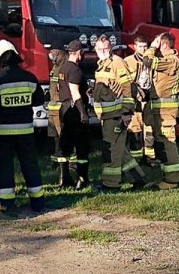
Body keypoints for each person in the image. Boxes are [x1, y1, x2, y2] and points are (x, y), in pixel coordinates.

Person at [0, 39, 46, 214]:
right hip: (26, 131)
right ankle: (38, 202)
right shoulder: (30, 78)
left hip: (2, 132)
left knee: (4, 166)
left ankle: (6, 203)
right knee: (30, 164)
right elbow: (39, 100)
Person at [93, 34, 146, 191]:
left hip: (117, 115)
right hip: (108, 115)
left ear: (111, 48)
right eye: (100, 48)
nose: (103, 51)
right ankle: (138, 178)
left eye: (106, 48)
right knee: (120, 149)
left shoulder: (117, 63)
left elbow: (127, 87)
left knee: (112, 151)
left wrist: (127, 112)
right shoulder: (101, 64)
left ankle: (111, 184)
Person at [146, 32, 179, 189]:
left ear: (163, 44)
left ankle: (173, 179)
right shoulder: (167, 60)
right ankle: (167, 176)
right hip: (160, 110)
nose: (155, 46)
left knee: (168, 143)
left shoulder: (171, 61)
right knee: (162, 142)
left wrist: (151, 47)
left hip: (166, 111)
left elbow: (148, 61)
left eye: (157, 43)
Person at [55, 39, 92, 189]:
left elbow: (60, 88)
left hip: (64, 109)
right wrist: (83, 113)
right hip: (74, 111)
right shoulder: (75, 70)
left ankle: (63, 179)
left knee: (66, 144)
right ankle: (82, 180)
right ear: (78, 53)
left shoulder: (63, 68)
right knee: (82, 146)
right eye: (82, 52)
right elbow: (75, 92)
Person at [123, 34, 155, 165]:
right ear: (135, 47)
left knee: (149, 129)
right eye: (140, 46)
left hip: (148, 99)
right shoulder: (128, 61)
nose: (143, 49)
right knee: (135, 129)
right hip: (134, 100)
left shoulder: (152, 60)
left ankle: (150, 157)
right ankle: (136, 158)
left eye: (145, 46)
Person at [46, 47, 72, 185]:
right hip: (53, 109)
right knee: (54, 138)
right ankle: (55, 161)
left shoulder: (66, 67)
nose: (52, 55)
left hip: (61, 109)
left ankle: (68, 168)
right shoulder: (55, 67)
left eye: (54, 53)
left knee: (64, 138)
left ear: (62, 53)